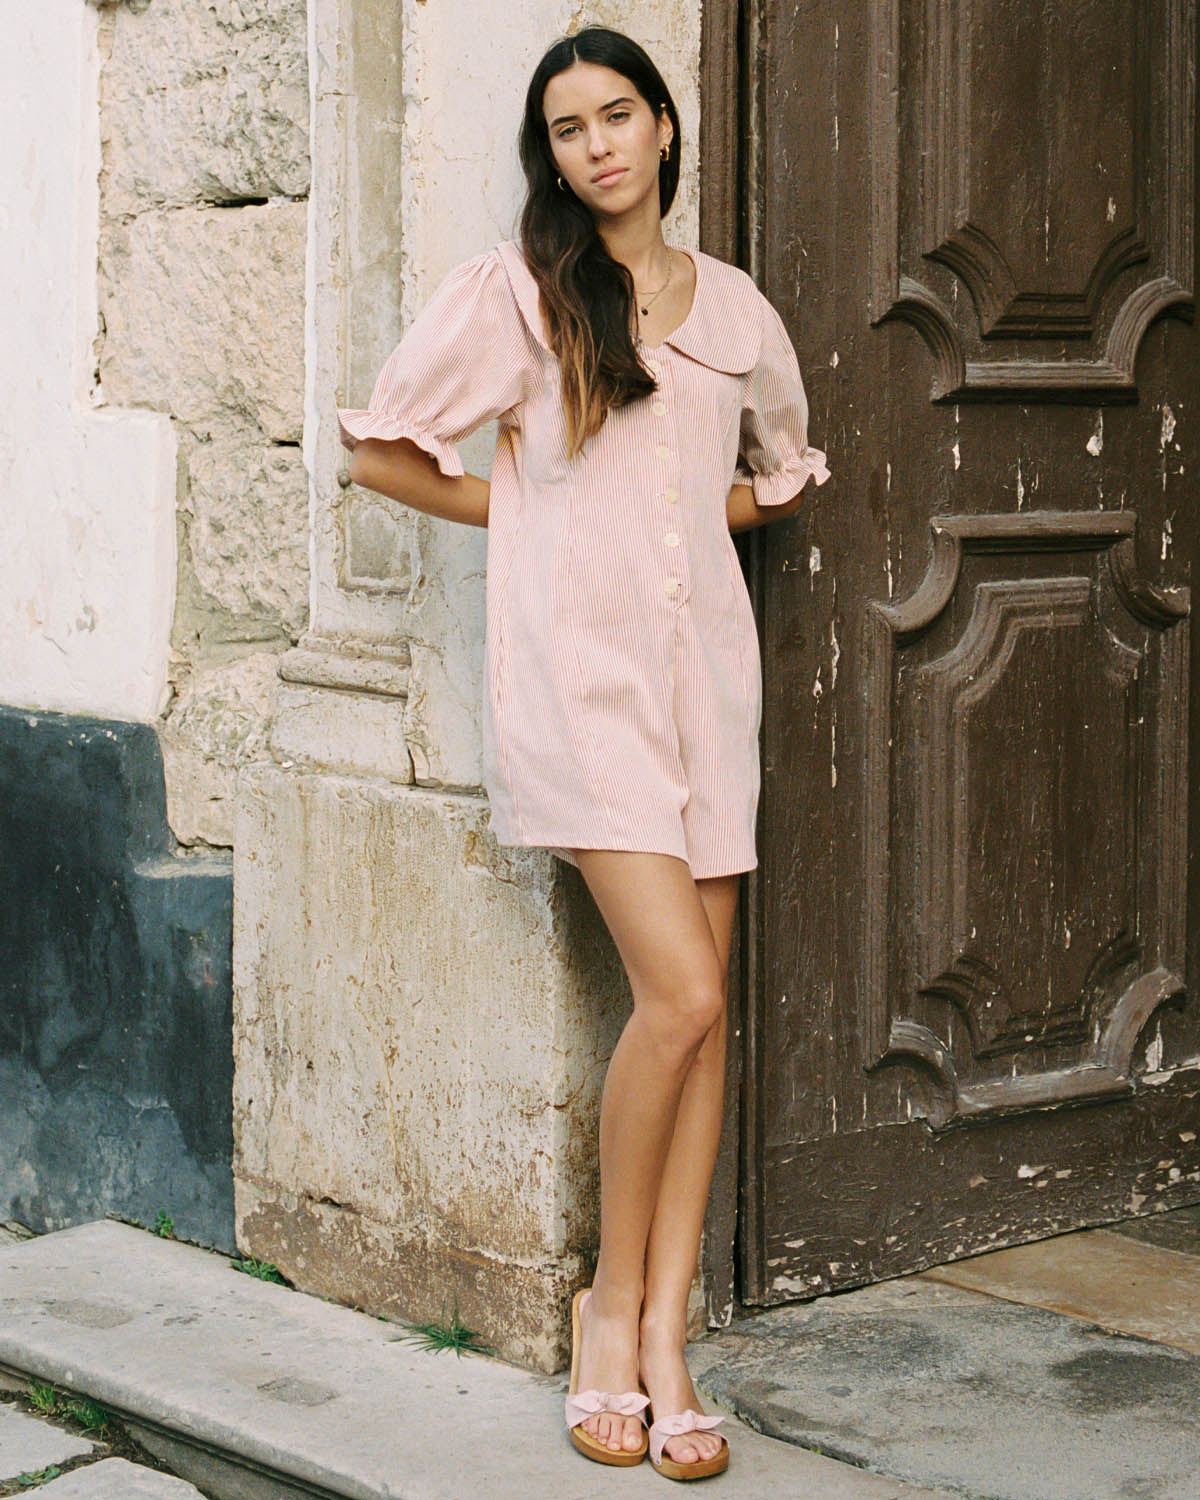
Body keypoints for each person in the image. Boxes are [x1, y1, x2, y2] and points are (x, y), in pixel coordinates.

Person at [337, 23, 830, 1482]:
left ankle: (666, 1340)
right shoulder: (517, 293)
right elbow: (378, 450)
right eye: (568, 128)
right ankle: (604, 1310)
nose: (598, 144)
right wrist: (538, 524)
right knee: (674, 997)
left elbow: (774, 474)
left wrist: (675, 531)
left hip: (706, 689)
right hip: (582, 689)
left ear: (666, 130)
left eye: (620, 115)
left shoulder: (734, 309)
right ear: (550, 154)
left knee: (707, 1008)